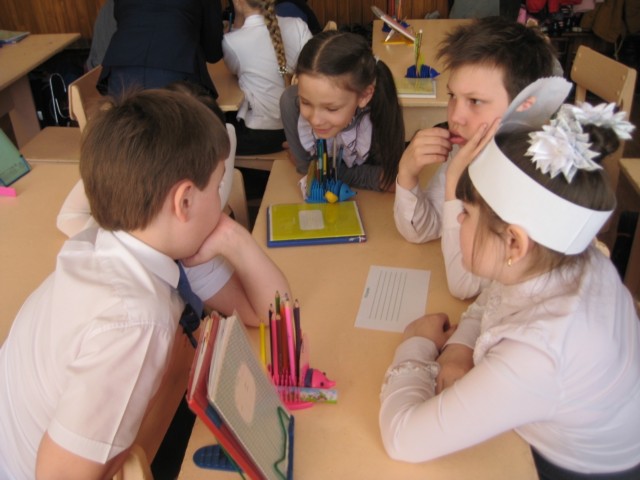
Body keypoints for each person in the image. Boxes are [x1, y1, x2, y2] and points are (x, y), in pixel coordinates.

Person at [0, 88, 291, 479]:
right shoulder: (133, 320)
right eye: (218, 185)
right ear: (184, 201)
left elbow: (271, 313)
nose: (221, 204)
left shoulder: (134, 239)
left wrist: (233, 238)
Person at [379, 82, 640, 478]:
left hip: (570, 468)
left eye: (465, 213)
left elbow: (402, 438)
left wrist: (414, 343)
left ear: (514, 242)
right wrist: (460, 344)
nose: (457, 219)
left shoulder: (537, 354)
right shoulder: (562, 259)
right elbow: (496, 295)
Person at [393, 16, 559, 298]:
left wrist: (454, 185)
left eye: (475, 101)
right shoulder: (470, 150)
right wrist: (407, 174)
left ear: (525, 109)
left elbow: (464, 284)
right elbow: (423, 229)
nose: (455, 116)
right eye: (452, 96)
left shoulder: (528, 181)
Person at [280, 30, 405, 191]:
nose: (315, 120)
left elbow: (390, 179)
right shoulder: (291, 103)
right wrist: (365, 176)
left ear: (364, 96)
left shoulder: (380, 108)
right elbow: (307, 170)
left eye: (331, 108)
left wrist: (323, 170)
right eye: (306, 102)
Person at [223, 0, 312, 155]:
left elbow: (234, 70)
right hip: (300, 130)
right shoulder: (298, 26)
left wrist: (237, 19)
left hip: (262, 135)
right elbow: (311, 68)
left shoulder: (231, 42)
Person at [98, 0, 224, 98]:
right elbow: (213, 53)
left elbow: (123, 19)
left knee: (129, 123)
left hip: (121, 70)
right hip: (176, 67)